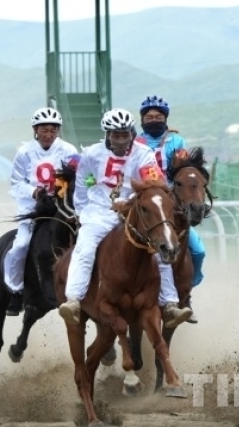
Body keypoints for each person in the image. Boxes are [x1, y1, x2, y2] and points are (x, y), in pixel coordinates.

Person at [58, 108, 188, 328]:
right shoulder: (91, 154)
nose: (121, 140)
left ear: (132, 133)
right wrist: (81, 212)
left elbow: (154, 183)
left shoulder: (143, 154)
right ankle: (73, 300)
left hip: (134, 212)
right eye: (116, 135)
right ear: (107, 134)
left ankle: (170, 304)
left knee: (158, 250)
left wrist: (128, 204)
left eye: (125, 135)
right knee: (85, 248)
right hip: (99, 212)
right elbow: (81, 184)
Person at [136, 95, 206, 324]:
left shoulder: (176, 141)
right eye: (149, 117)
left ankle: (185, 296)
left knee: (198, 251)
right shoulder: (135, 142)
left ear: (165, 119)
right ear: (142, 120)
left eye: (158, 116)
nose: (154, 120)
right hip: (145, 201)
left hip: (172, 202)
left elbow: (182, 171)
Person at [3, 107, 79, 316]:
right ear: (35, 130)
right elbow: (16, 183)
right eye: (44, 130)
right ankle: (16, 291)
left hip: (62, 206)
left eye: (53, 130)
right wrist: (34, 192)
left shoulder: (69, 150)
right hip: (33, 207)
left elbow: (77, 177)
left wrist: (63, 193)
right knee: (20, 245)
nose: (49, 135)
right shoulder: (24, 152)